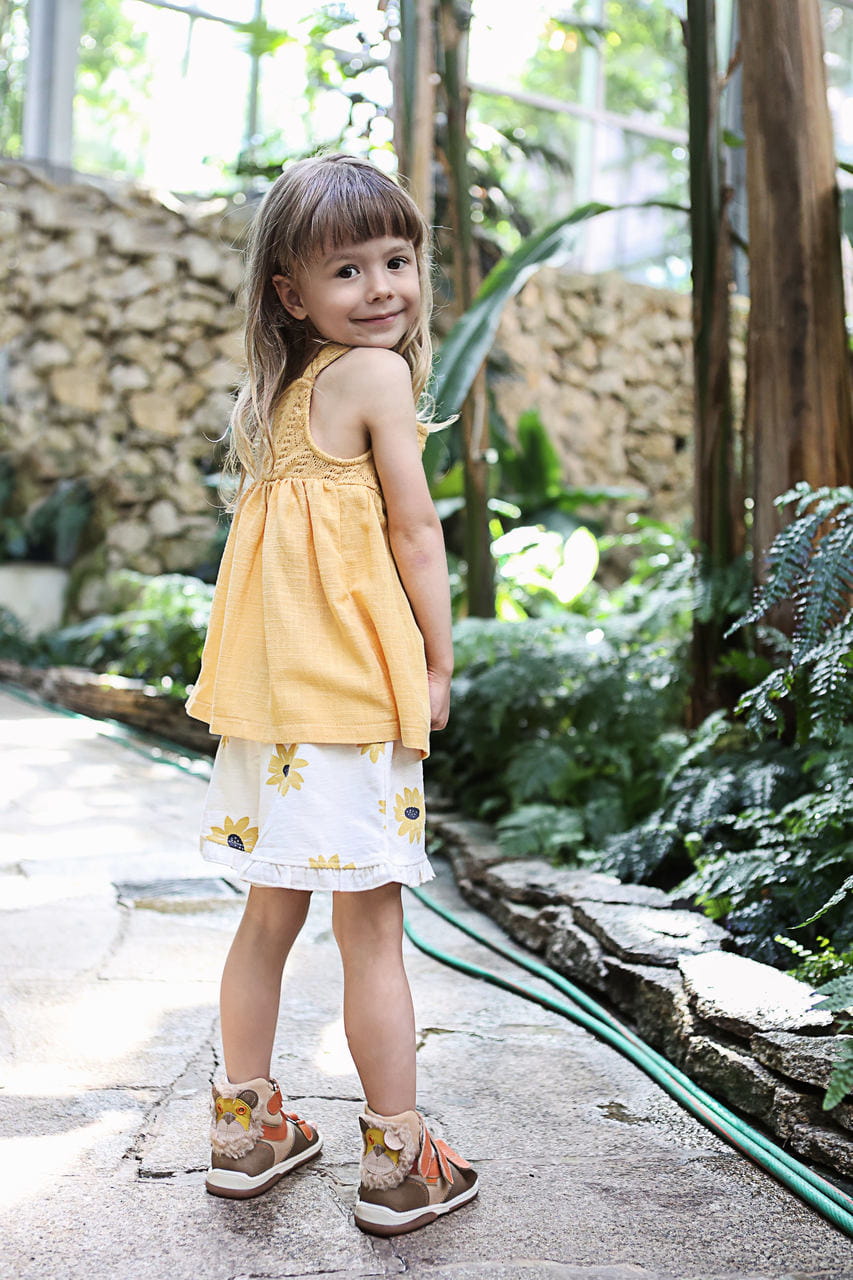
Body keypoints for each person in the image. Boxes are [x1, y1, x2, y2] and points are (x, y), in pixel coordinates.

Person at [185, 152, 478, 1236]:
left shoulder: (276, 394)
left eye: (396, 260)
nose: (381, 288)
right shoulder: (376, 377)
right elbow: (414, 529)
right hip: (347, 706)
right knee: (372, 933)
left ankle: (244, 1132)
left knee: (266, 919)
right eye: (346, 270)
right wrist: (437, 664)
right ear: (291, 292)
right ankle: (400, 1163)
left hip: (268, 714)